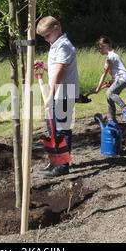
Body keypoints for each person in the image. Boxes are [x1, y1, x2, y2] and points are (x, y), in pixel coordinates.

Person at [35, 16, 79, 178]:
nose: (45, 39)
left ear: (57, 28)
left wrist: (50, 95)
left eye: (47, 35)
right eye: (43, 37)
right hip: (57, 94)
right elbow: (54, 68)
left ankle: (63, 165)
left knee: (61, 129)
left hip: (64, 94)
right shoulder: (55, 45)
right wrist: (44, 66)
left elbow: (59, 73)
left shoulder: (64, 46)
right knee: (51, 127)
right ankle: (55, 160)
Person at [93, 36, 126, 122]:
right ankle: (112, 119)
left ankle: (125, 109)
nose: (99, 50)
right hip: (124, 78)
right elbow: (114, 72)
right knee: (110, 97)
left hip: (123, 78)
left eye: (100, 48)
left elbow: (104, 74)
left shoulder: (110, 57)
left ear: (106, 46)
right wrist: (112, 81)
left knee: (109, 93)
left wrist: (98, 89)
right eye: (98, 49)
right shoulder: (113, 55)